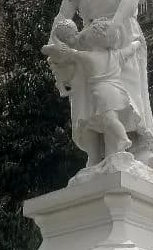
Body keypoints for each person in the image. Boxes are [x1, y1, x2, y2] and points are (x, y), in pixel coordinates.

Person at [47, 0, 153, 171]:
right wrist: (56, 42)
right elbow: (63, 15)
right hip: (88, 40)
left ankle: (133, 147)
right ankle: (95, 153)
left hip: (122, 35)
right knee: (87, 96)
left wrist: (115, 24)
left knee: (127, 94)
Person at [44, 18, 145, 163]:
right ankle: (112, 147)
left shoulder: (88, 56)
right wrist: (137, 43)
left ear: (94, 40)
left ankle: (122, 140)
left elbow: (69, 53)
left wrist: (55, 40)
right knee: (105, 119)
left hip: (102, 94)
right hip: (118, 92)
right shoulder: (115, 55)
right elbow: (128, 51)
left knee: (109, 118)